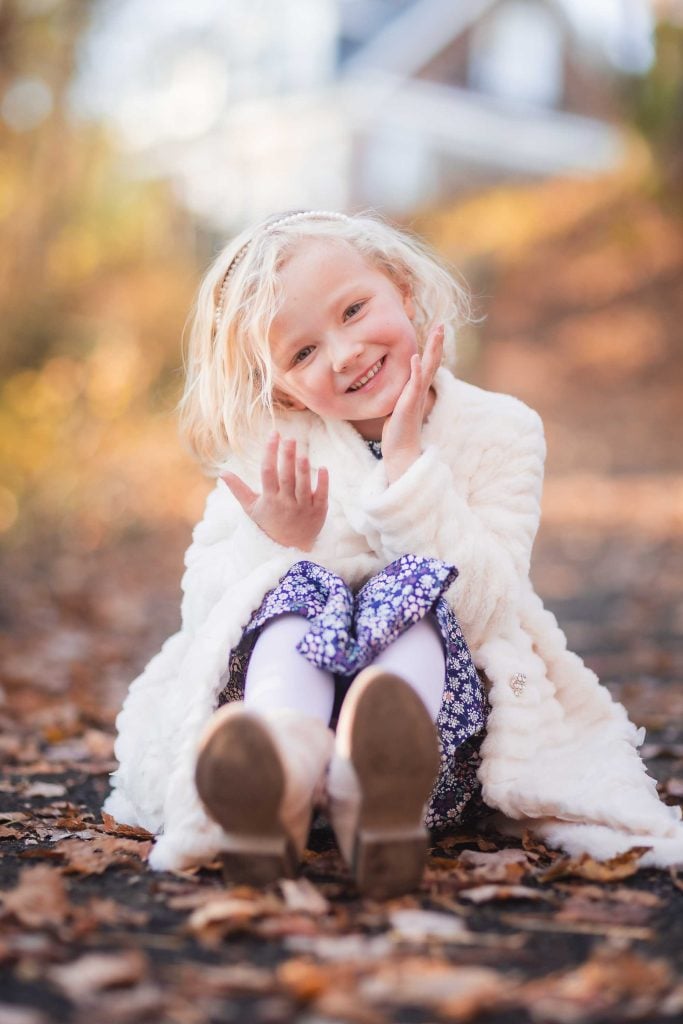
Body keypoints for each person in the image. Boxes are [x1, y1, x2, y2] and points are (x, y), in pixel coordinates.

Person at [104, 210, 683, 896]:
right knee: (296, 585)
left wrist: (408, 469)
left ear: (402, 289)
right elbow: (207, 619)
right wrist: (278, 540)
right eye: (301, 354)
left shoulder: (500, 431)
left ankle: (368, 777)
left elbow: (488, 606)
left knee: (415, 584)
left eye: (353, 310)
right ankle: (280, 767)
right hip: (282, 703)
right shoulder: (274, 448)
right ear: (282, 387)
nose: (344, 353)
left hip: (431, 750)